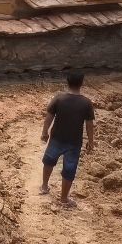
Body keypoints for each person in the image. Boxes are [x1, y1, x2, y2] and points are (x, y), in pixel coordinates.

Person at [39, 72, 96, 208]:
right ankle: (64, 199)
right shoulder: (86, 103)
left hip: (57, 138)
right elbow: (89, 124)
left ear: (67, 82)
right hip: (74, 142)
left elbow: (49, 117)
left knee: (49, 161)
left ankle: (44, 186)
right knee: (69, 169)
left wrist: (44, 133)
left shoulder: (59, 98)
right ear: (82, 83)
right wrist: (91, 141)